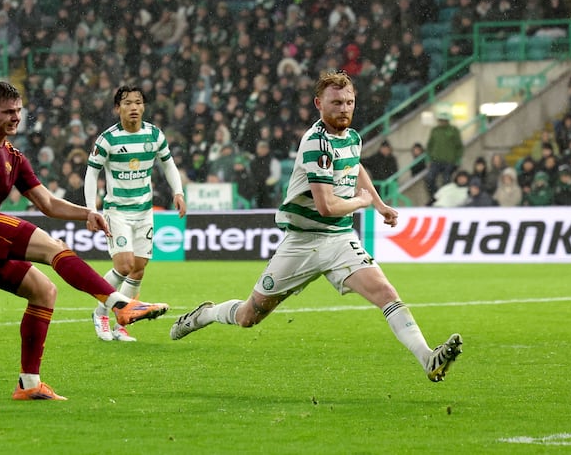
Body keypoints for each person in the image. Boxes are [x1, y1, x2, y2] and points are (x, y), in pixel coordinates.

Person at [0, 51, 169, 401]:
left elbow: (47, 203)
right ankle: (119, 304)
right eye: (7, 112)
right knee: (51, 246)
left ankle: (28, 384)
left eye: (18, 111)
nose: (15, 117)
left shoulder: (15, 158)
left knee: (44, 291)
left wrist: (86, 212)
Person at [169, 71, 462, 383]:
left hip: (339, 238)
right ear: (318, 104)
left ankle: (428, 358)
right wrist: (362, 203)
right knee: (248, 317)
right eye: (336, 102)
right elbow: (327, 206)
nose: (344, 108)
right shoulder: (316, 144)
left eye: (349, 102)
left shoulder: (352, 138)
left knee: (386, 293)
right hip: (302, 243)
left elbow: (355, 165)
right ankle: (205, 314)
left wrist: (378, 203)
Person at [84, 85, 186, 343]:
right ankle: (101, 313)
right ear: (117, 108)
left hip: (144, 212)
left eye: (138, 103)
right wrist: (91, 209)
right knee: (124, 265)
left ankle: (123, 322)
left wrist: (179, 192)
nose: (134, 108)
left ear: (144, 106)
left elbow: (169, 163)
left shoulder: (154, 134)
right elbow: (91, 173)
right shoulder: (108, 139)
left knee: (138, 269)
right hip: (117, 211)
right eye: (127, 103)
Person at [424, 111, 463, 205]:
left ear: (447, 121)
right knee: (429, 178)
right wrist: (428, 159)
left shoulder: (454, 130)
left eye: (444, 120)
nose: (442, 122)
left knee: (446, 181)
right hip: (436, 161)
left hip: (449, 161)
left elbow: (459, 146)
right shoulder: (435, 130)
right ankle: (435, 196)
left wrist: (457, 159)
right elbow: (429, 145)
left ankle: (445, 200)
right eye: (440, 120)